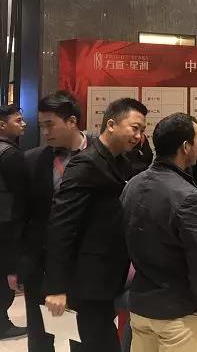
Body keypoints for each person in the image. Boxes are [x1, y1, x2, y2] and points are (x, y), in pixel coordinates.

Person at [44, 98, 148, 352]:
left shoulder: (121, 161)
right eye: (134, 128)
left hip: (107, 278)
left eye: (142, 130)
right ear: (111, 124)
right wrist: (57, 288)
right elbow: (62, 226)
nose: (138, 136)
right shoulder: (85, 164)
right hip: (86, 281)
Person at [121, 113, 197, 351]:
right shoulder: (188, 195)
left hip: (140, 305)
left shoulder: (132, 185)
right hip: (178, 312)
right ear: (185, 147)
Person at [13, 92, 91, 352]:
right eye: (41, 125)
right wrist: (18, 263)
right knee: (40, 334)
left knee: (85, 334)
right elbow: (22, 215)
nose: (45, 132)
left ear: (72, 121)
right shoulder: (32, 160)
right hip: (41, 262)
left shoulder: (100, 156)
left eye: (50, 125)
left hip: (86, 261)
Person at [0, 105, 28, 340]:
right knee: (4, 277)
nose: (23, 124)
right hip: (6, 225)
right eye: (18, 120)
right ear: (2, 125)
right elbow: (22, 194)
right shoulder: (11, 155)